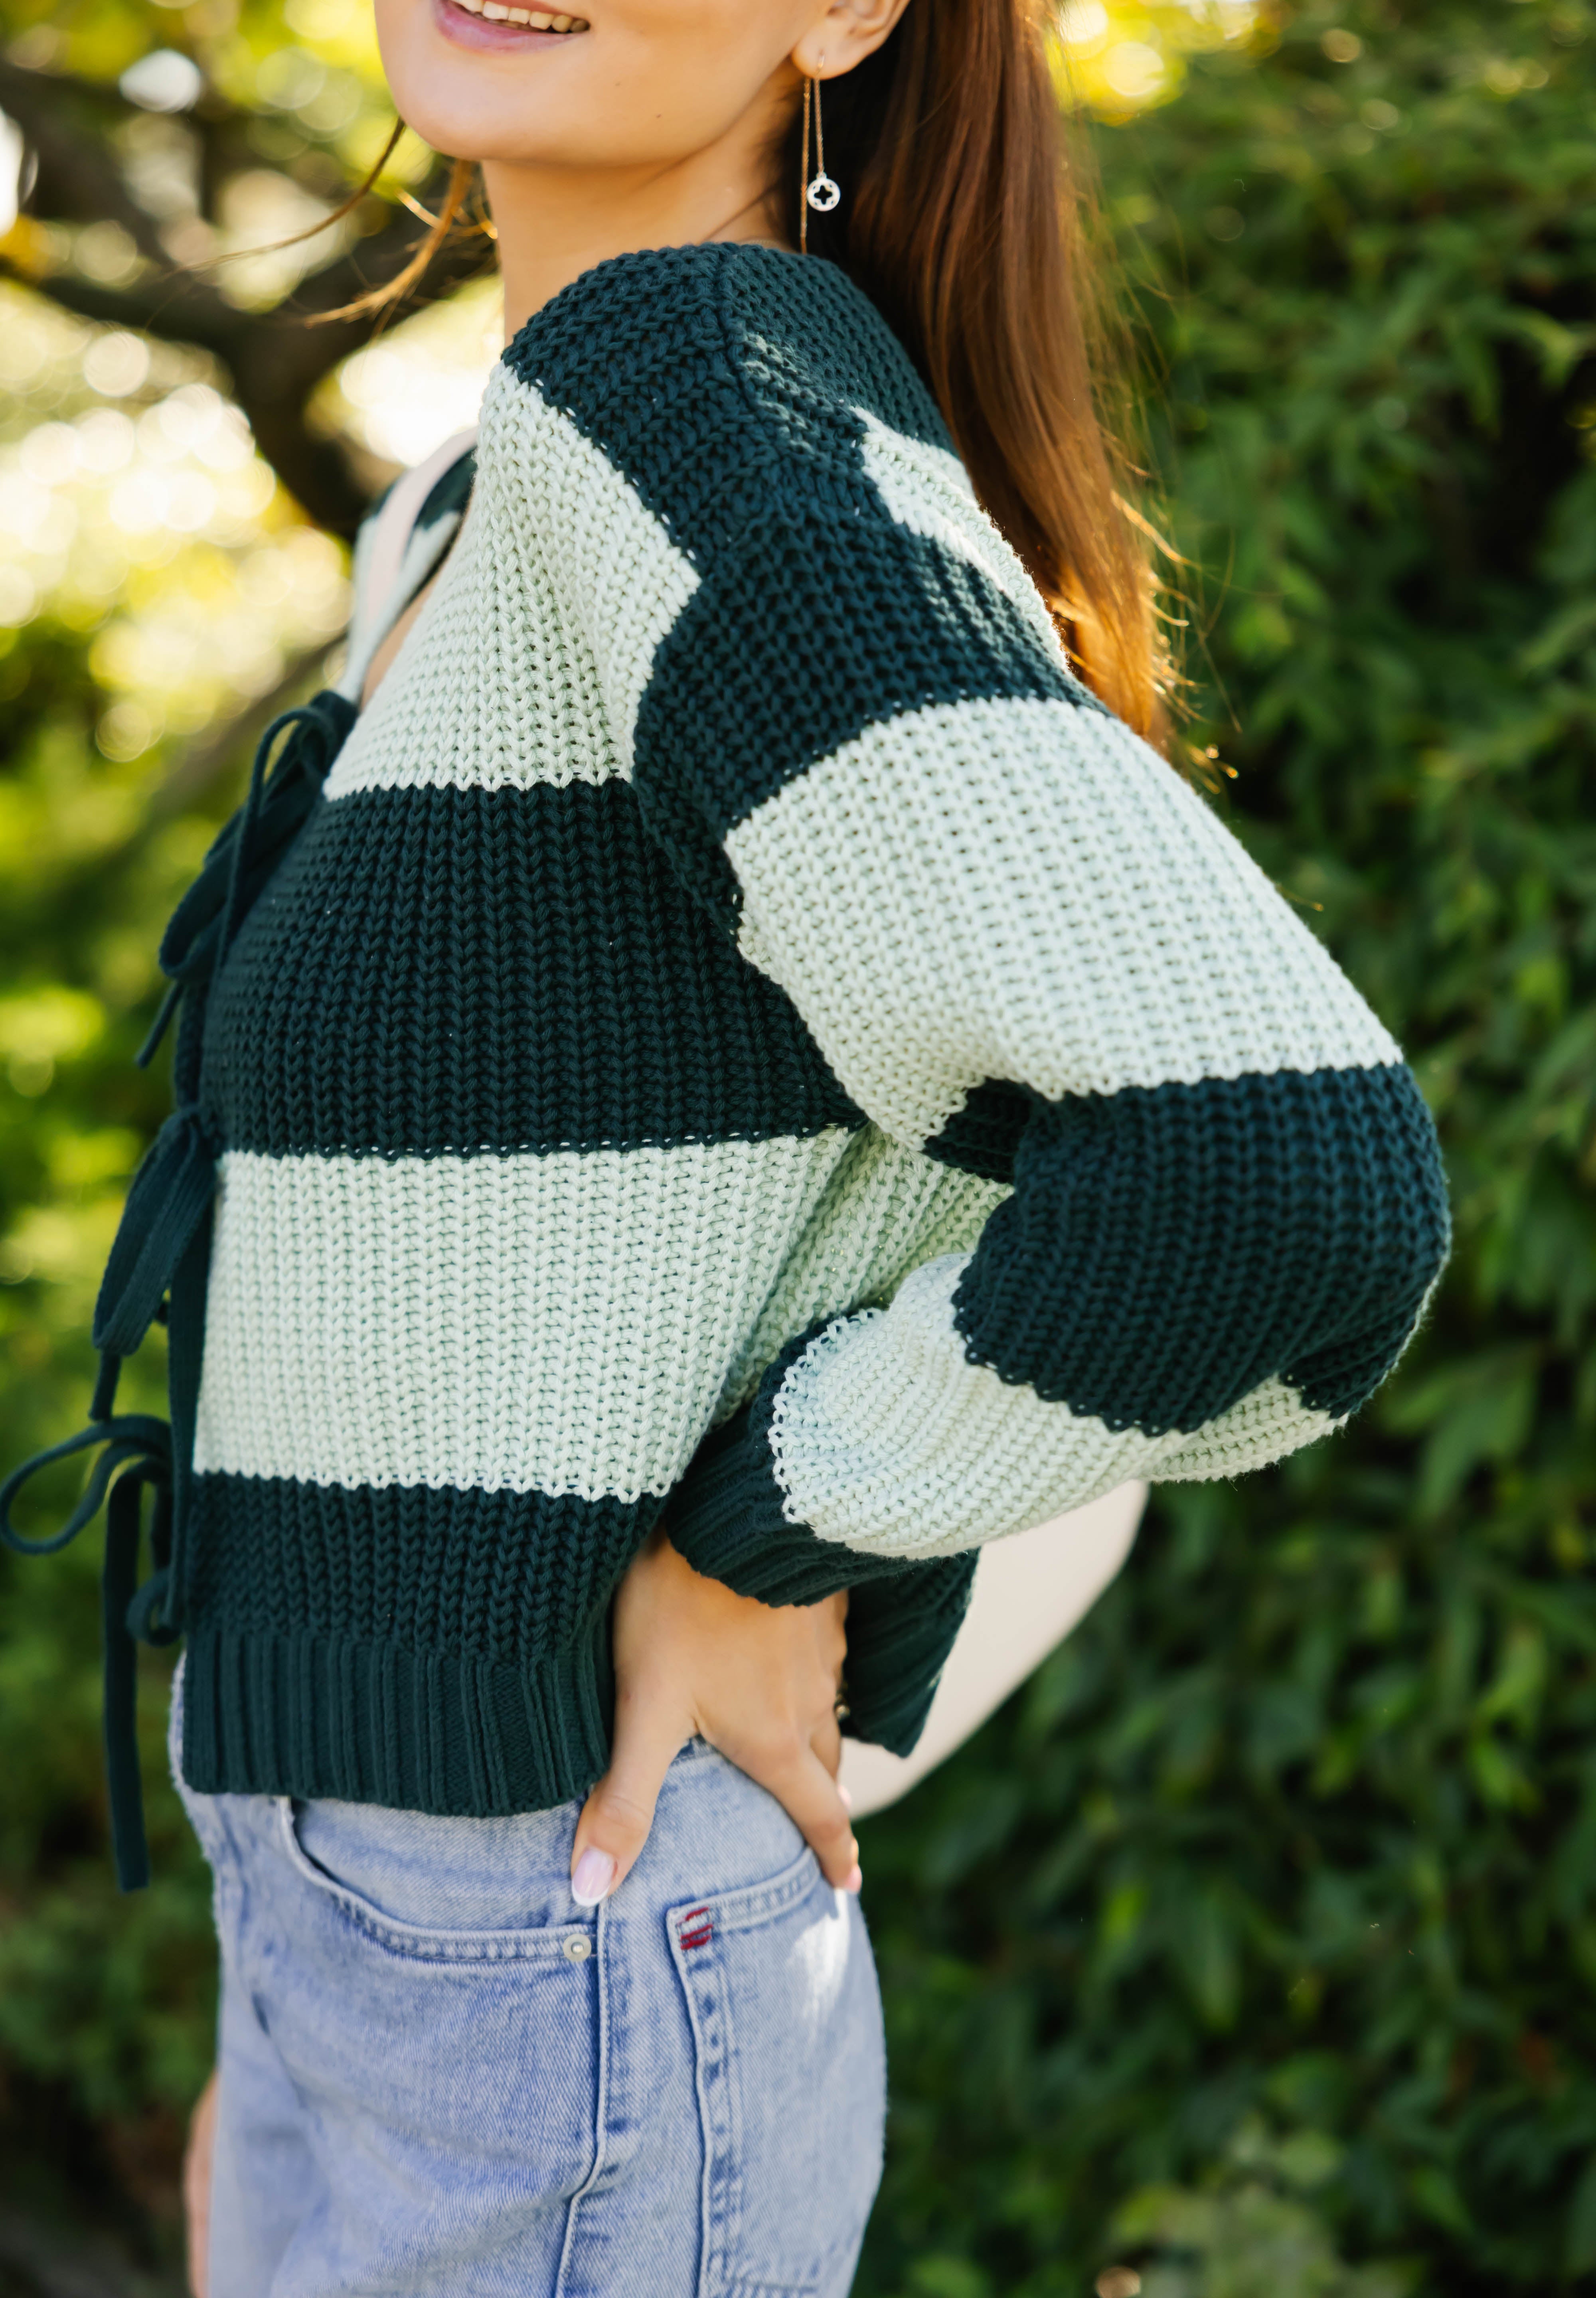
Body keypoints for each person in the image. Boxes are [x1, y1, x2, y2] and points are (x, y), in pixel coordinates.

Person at [0, 0, 1452, 2288]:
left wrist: (789, 1533)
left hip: (545, 1941)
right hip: (379, 1926)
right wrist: (294, 1994)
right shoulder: (467, 503)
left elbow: (1275, 1172)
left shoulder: (699, 402)